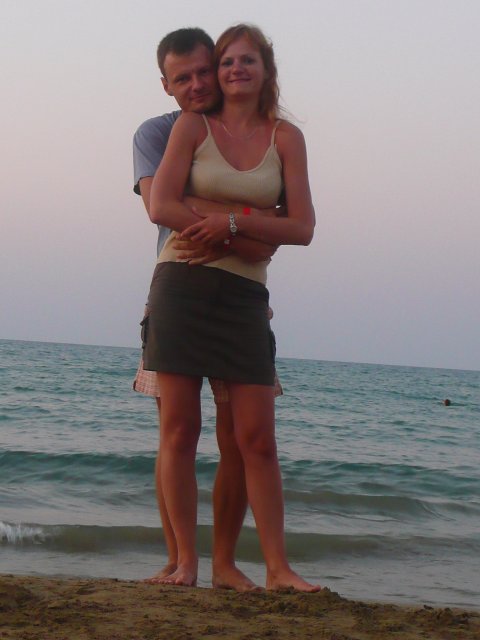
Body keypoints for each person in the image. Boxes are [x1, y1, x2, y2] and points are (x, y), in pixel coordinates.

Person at [145, 24, 319, 591]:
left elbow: (302, 227)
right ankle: (186, 564)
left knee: (256, 439)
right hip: (181, 284)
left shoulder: (286, 138)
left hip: (246, 298)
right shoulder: (192, 126)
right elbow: (160, 205)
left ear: (266, 70)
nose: (234, 70)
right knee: (180, 431)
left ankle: (278, 569)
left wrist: (233, 224)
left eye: (247, 60)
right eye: (226, 62)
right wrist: (241, 231)